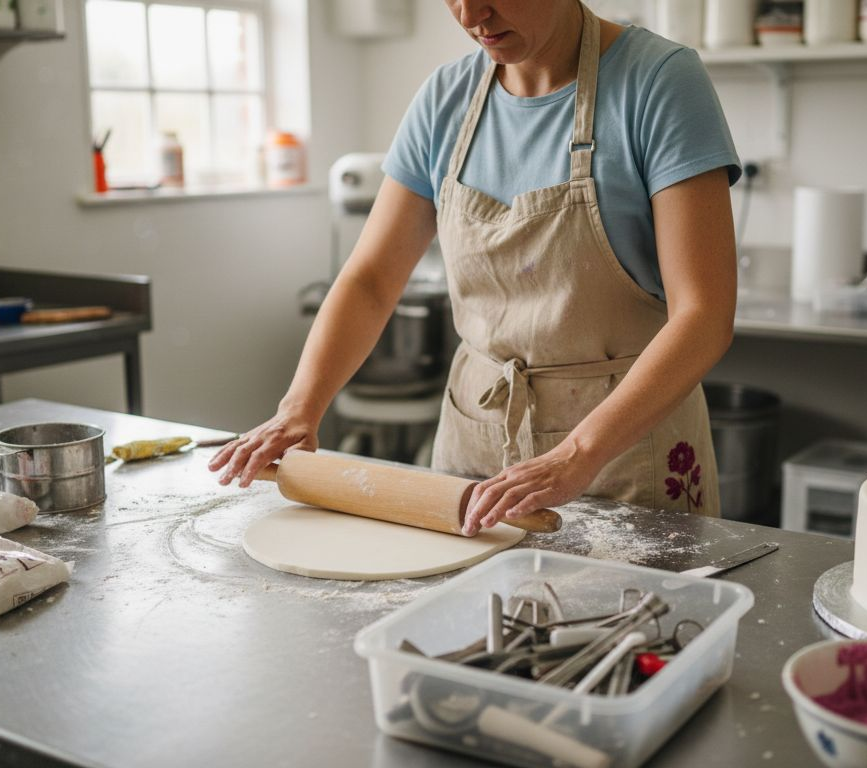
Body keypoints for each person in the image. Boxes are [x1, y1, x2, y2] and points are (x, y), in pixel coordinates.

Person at [210, 0, 740, 536]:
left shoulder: (658, 82)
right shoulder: (446, 100)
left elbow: (704, 315)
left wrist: (577, 452)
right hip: (473, 448)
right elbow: (370, 280)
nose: (471, 15)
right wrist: (299, 406)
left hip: (625, 454)